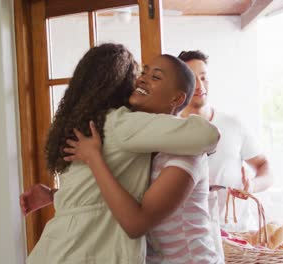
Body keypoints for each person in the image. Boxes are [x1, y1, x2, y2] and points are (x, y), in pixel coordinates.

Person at [22, 44, 220, 264]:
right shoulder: (125, 134)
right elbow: (107, 194)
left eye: (155, 77)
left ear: (176, 98)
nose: (141, 80)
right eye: (142, 73)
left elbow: (134, 220)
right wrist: (54, 195)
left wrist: (93, 159)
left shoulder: (183, 152)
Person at [178, 50, 272, 231]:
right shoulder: (170, 129)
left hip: (238, 237)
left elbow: (264, 166)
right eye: (191, 78)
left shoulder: (233, 124)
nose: (200, 85)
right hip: (193, 238)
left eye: (204, 77)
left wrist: (252, 185)